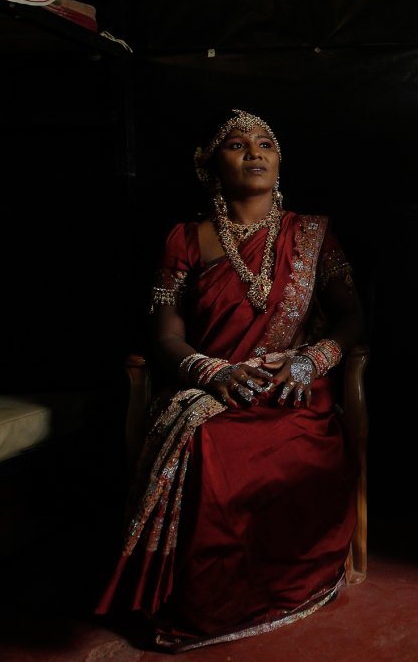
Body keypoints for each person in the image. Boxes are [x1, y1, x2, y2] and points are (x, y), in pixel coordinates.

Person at [96, 109, 365, 651]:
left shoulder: (312, 234)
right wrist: (211, 371)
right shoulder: (185, 239)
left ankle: (284, 585)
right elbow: (165, 335)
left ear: (280, 162)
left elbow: (352, 317)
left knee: (291, 447)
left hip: (291, 387)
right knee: (207, 443)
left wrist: (310, 362)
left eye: (266, 143)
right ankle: (204, 605)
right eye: (237, 144)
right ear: (210, 165)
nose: (254, 152)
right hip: (211, 386)